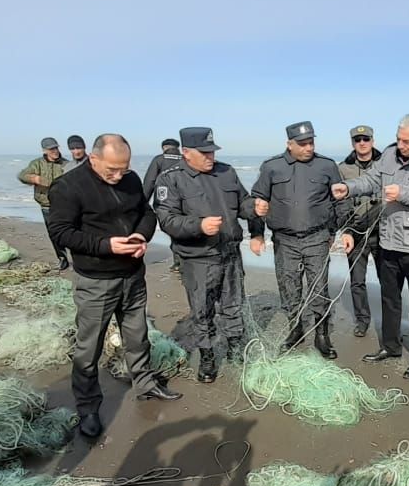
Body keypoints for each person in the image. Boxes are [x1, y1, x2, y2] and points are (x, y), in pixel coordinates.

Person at [46, 133, 182, 439]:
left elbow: (146, 213)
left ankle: (145, 384)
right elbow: (61, 232)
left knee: (137, 335)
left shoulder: (131, 180)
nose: (119, 176)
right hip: (95, 280)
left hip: (132, 274)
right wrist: (106, 245)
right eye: (112, 170)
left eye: (124, 168)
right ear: (94, 160)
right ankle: (88, 407)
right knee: (88, 348)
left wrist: (140, 238)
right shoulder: (68, 187)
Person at [331, 114, 409, 378]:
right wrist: (347, 188)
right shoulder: (389, 154)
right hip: (388, 241)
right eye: (398, 139)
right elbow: (371, 180)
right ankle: (391, 347)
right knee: (390, 299)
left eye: (406, 141)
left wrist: (403, 193)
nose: (401, 145)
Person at [153, 127, 265, 383]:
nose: (209, 157)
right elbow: (167, 219)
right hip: (197, 258)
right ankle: (207, 357)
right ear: (186, 152)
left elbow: (243, 203)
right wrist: (198, 226)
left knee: (233, 305)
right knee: (202, 311)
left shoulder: (226, 172)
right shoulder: (170, 179)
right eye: (203, 153)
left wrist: (255, 208)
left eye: (212, 151)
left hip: (230, 254)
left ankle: (236, 350)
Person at [251, 121, 352, 359]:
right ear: (289, 144)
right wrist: (256, 233)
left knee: (319, 287)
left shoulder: (326, 166)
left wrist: (335, 232)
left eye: (311, 142)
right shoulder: (271, 168)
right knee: (289, 287)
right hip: (284, 240)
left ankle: (321, 334)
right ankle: (295, 329)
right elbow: (258, 202)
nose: (308, 148)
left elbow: (341, 201)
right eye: (303, 144)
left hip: (317, 238)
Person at [337, 125, 383, 337]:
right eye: (358, 140)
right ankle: (362, 320)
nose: (362, 143)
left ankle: (390, 322)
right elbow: (340, 203)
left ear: (373, 140)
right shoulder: (343, 168)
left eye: (366, 139)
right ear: (353, 143)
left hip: (383, 232)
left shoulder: (386, 164)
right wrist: (344, 229)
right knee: (357, 280)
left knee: (389, 281)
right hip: (355, 231)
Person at [18, 137, 71, 270]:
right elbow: (22, 175)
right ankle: (62, 258)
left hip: (64, 205)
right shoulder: (37, 164)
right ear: (45, 150)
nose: (55, 151)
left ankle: (76, 257)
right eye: (51, 149)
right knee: (53, 233)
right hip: (46, 205)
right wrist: (34, 178)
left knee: (69, 231)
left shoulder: (66, 164)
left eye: (56, 148)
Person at [143, 138, 186, 272]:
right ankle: (183, 260)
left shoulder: (159, 159)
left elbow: (149, 181)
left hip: (166, 202)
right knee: (185, 230)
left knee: (173, 230)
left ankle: (179, 262)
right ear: (177, 147)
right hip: (186, 201)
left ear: (164, 148)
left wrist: (142, 202)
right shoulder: (186, 158)